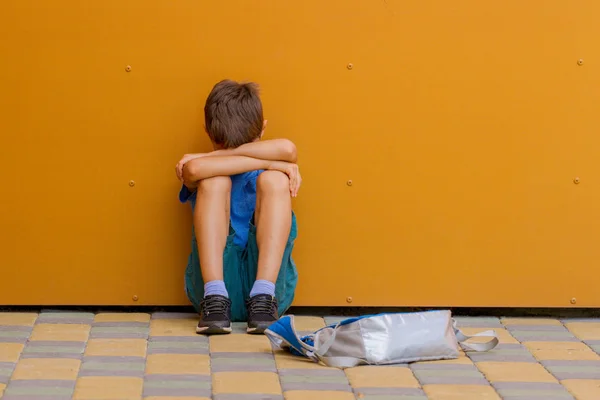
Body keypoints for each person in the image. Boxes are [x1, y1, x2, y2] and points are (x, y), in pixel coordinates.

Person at [175, 80, 301, 335]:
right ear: (263, 129)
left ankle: (263, 294)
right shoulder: (205, 171)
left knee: (275, 181)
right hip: (212, 296)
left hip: (270, 294)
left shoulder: (210, 161)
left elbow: (288, 148)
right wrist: (275, 163)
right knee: (214, 181)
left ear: (207, 132)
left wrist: (212, 155)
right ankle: (215, 296)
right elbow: (194, 170)